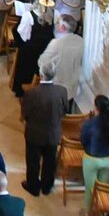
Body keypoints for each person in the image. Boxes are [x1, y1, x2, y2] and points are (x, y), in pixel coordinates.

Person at [20, 63, 69, 195]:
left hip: (34, 134)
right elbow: (65, 111)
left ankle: (33, 186)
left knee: (33, 161)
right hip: (53, 133)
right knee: (50, 161)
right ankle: (47, 186)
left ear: (41, 75)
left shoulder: (31, 93)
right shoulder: (62, 91)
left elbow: (25, 114)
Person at [79, 95, 109, 205]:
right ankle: (101, 212)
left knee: (90, 189)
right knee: (103, 189)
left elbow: (83, 140)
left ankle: (88, 213)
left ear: (96, 107)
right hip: (108, 160)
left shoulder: (88, 123)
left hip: (91, 159)